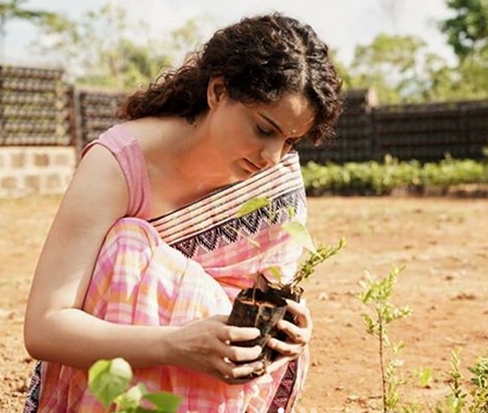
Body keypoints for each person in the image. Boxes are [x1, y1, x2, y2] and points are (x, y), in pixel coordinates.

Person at [23, 12, 343, 413]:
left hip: (221, 380)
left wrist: (290, 328)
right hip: (129, 379)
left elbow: (262, 295)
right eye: (264, 129)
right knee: (128, 248)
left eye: (290, 141)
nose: (272, 156)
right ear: (218, 91)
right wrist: (175, 345)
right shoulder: (118, 166)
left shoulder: (273, 182)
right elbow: (44, 326)